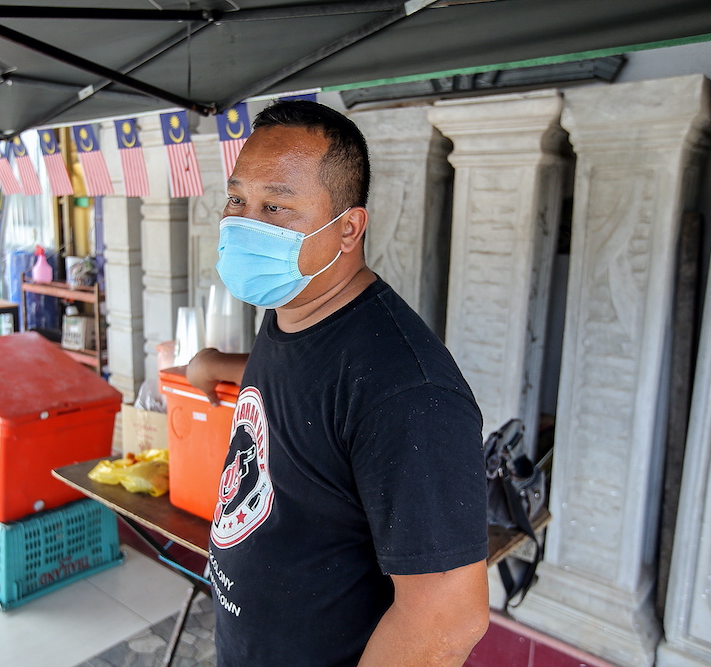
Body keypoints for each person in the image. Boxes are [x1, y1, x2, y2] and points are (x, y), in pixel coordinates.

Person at [187, 100, 488, 666]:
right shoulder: (292, 303)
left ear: (348, 228)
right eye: (237, 199)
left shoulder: (409, 394)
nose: (246, 223)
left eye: (276, 207)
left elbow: (448, 619)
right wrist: (218, 364)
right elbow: (306, 380)